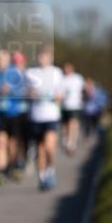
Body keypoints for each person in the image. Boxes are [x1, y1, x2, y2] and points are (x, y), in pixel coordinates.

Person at [26, 46, 64, 191]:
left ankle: (51, 170)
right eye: (41, 56)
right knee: (40, 149)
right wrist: (31, 94)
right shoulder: (30, 73)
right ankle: (42, 177)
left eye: (46, 56)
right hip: (36, 116)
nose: (43, 59)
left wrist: (56, 98)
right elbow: (26, 93)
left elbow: (60, 95)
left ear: (51, 58)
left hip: (51, 115)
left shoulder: (56, 72)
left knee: (49, 146)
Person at [0, 48, 29, 182]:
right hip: (0, 114)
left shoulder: (15, 73)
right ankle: (2, 172)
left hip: (15, 113)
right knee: (1, 142)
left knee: (12, 144)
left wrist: (10, 90)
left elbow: (24, 91)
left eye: (2, 58)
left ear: (8, 59)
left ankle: (13, 165)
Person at [60, 61, 85, 155]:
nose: (66, 70)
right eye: (65, 68)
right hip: (64, 106)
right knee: (65, 124)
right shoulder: (61, 78)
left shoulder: (78, 78)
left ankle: (71, 142)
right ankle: (67, 139)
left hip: (75, 105)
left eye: (68, 68)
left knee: (73, 123)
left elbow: (84, 89)